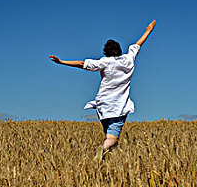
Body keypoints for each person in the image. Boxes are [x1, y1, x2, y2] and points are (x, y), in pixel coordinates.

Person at [49, 20, 156, 160]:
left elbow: (82, 64)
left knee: (109, 135)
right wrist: (148, 30)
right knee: (112, 138)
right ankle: (103, 149)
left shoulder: (105, 62)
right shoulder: (129, 59)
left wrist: (62, 62)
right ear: (119, 50)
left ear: (106, 52)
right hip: (119, 106)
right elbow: (137, 44)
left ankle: (108, 161)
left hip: (103, 106)